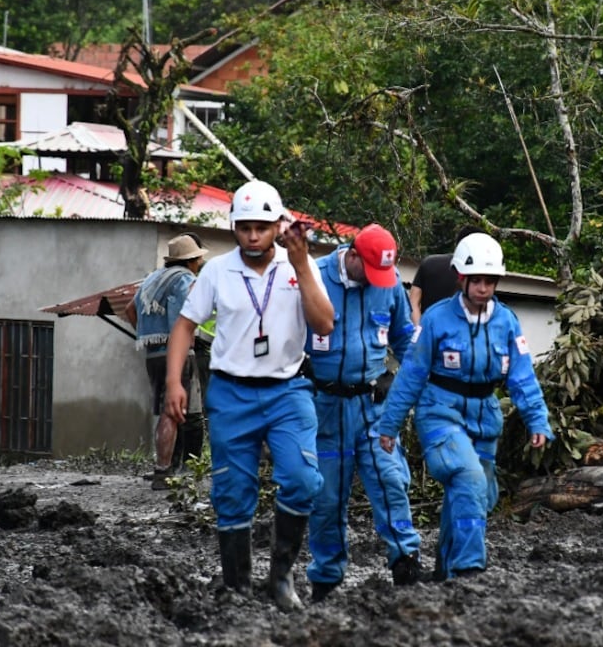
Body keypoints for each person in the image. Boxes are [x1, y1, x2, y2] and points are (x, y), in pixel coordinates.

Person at [163, 179, 334, 612]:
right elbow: (185, 324)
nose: (253, 236)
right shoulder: (218, 271)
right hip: (231, 392)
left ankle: (280, 579)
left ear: (279, 224)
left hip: (287, 391)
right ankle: (237, 587)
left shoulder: (301, 265)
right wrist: (174, 382)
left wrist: (300, 263)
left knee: (302, 479)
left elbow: (325, 324)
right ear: (233, 227)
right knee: (233, 491)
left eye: (261, 227)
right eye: (244, 228)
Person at [375, 232, 553, 580]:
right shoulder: (437, 320)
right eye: (477, 280)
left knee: (478, 496)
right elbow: (411, 374)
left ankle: (445, 573)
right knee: (469, 478)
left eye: (490, 280)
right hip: (439, 412)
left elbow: (521, 376)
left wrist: (538, 421)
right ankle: (470, 571)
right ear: (462, 278)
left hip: (484, 416)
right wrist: (389, 426)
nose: (483, 288)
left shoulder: (506, 322)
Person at [304, 224, 423, 602]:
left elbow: (405, 338)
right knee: (325, 498)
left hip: (373, 407)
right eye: (370, 271)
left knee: (390, 481)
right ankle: (325, 579)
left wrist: (418, 387)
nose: (377, 281)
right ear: (352, 255)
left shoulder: (388, 284)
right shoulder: (314, 277)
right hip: (323, 407)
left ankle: (406, 562)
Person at [125, 233, 208, 490]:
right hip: (178, 352)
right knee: (180, 413)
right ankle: (167, 471)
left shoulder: (152, 279)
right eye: (197, 260)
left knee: (170, 409)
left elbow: (129, 309)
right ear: (191, 260)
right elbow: (188, 315)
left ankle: (171, 466)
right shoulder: (185, 279)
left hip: (153, 353)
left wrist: (147, 332)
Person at [408, 226, 484, 325]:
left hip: (429, 330)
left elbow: (413, 302)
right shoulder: (479, 274)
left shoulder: (429, 263)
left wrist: (420, 330)